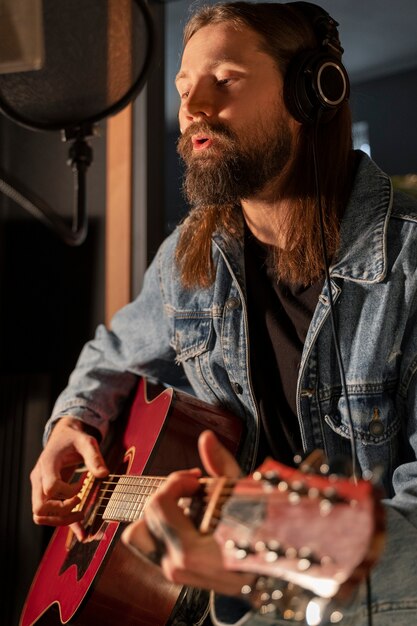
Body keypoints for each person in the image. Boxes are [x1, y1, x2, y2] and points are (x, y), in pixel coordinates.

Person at [29, 2, 417, 625]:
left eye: (224, 80)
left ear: (309, 93)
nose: (192, 108)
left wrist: (261, 542)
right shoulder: (189, 257)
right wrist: (73, 423)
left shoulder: (409, 267)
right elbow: (109, 353)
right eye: (185, 89)